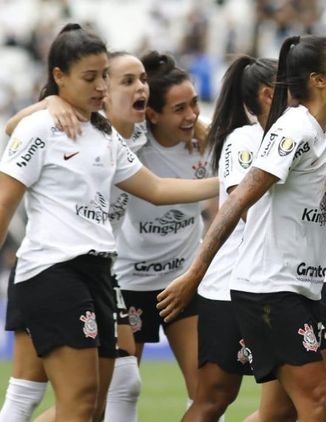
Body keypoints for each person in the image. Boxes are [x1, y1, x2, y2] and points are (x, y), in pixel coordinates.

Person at [0, 24, 217, 422]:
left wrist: (237, 183)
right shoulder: (42, 126)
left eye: (104, 76)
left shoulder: (107, 135)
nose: (101, 86)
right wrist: (49, 104)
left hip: (101, 273)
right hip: (54, 270)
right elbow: (4, 197)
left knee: (98, 400)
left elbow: (155, 187)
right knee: (57, 397)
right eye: (92, 77)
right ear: (60, 77)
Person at [158, 34, 326, 422]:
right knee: (317, 401)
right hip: (269, 287)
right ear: (316, 79)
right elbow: (236, 201)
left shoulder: (325, 129)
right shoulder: (291, 130)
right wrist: (194, 275)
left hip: (299, 287)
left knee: (282, 409)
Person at [180, 55, 277, 421]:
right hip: (232, 287)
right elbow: (246, 207)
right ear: (269, 96)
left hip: (283, 285)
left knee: (290, 403)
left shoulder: (304, 135)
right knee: (214, 399)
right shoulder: (244, 140)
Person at [113, 51, 209, 409]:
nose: (192, 115)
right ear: (152, 114)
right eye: (180, 109)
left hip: (182, 283)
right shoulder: (130, 143)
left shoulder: (207, 140)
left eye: (194, 105)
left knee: (206, 394)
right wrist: (53, 103)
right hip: (130, 283)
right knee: (120, 391)